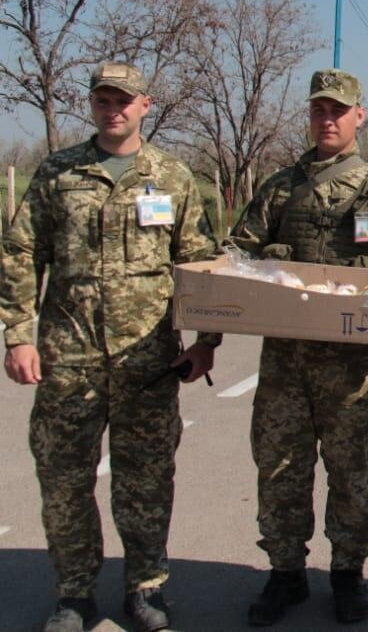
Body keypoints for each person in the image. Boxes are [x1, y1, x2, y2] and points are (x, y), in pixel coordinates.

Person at [0, 62, 220, 632]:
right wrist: (18, 334)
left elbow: (199, 263)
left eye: (124, 100)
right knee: (64, 480)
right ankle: (73, 594)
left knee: (146, 481)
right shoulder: (58, 173)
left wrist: (206, 342)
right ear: (92, 105)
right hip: (67, 360)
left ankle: (145, 589)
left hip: (149, 363)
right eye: (103, 99)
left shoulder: (171, 176)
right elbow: (21, 253)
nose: (113, 109)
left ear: (145, 105)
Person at [228, 68, 368, 626]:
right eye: (319, 110)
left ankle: (348, 572)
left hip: (354, 371)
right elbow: (234, 259)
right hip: (285, 366)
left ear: (359, 116)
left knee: (351, 474)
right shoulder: (281, 188)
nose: (327, 120)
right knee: (279, 470)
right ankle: (285, 574)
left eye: (338, 110)